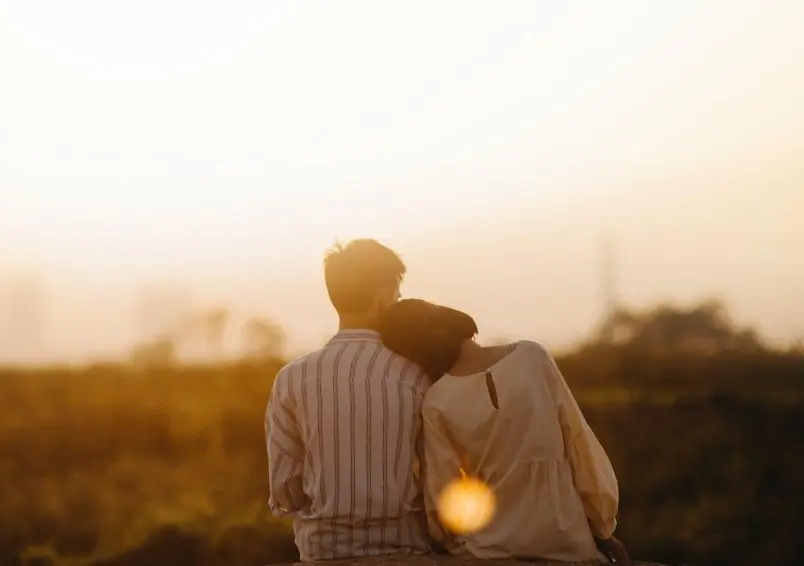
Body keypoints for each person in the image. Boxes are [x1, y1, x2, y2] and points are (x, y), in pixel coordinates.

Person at [380, 299, 631, 566]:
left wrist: (450, 541)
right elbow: (579, 446)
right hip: (567, 542)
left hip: (489, 548)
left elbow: (443, 494)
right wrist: (602, 528)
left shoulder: (436, 402)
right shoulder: (532, 356)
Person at [265, 239, 433, 561]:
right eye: (396, 295)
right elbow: (437, 475)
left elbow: (285, 488)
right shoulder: (416, 375)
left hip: (323, 552)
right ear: (383, 295)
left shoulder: (292, 378)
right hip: (405, 551)